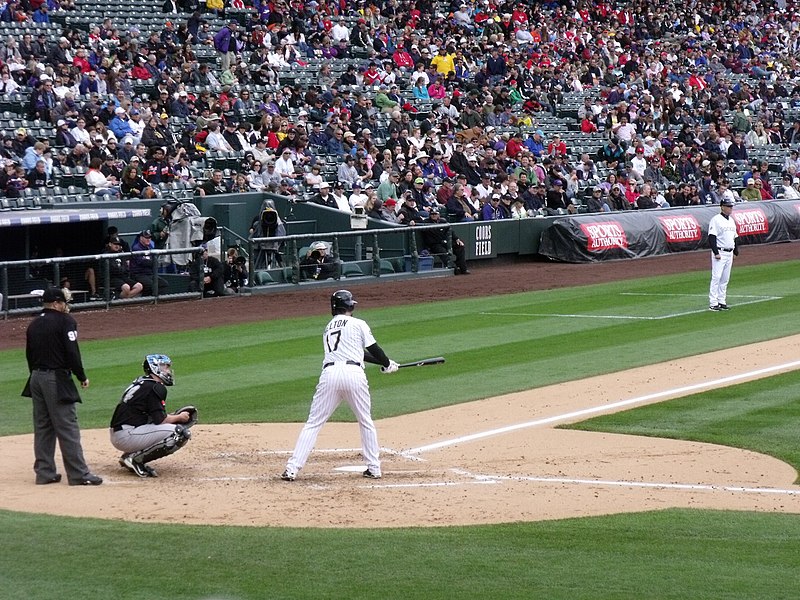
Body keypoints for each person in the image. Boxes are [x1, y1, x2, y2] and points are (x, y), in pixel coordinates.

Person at [281, 290, 399, 481]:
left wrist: (385, 362)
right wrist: (386, 363)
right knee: (365, 421)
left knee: (313, 423)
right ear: (350, 306)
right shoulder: (358, 323)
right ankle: (374, 468)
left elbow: (355, 353)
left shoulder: (328, 327)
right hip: (354, 375)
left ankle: (292, 469)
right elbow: (373, 349)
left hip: (329, 375)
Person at [23, 287, 102, 486]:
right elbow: (72, 351)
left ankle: (44, 473)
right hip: (55, 379)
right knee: (67, 427)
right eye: (64, 302)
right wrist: (81, 375)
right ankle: (78, 475)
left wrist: (36, 375)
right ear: (57, 303)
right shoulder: (65, 321)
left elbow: (29, 354)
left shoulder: (34, 322)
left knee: (43, 427)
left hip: (36, 378)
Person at [109, 355, 194, 478]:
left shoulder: (143, 382)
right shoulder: (155, 387)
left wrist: (173, 418)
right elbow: (161, 420)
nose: (168, 371)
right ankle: (135, 459)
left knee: (171, 426)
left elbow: (152, 416)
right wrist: (179, 418)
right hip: (127, 436)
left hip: (121, 433)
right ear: (155, 368)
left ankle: (128, 456)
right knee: (180, 433)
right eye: (165, 367)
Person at [708, 198, 739, 311]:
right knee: (716, 277)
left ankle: (722, 301)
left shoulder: (731, 220)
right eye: (728, 206)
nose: (730, 208)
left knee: (725, 278)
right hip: (720, 252)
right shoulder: (716, 220)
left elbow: (734, 237)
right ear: (722, 207)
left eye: (731, 206)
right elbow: (712, 237)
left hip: (729, 252)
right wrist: (716, 252)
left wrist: (736, 251)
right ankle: (713, 302)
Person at [420, 208, 470, 274]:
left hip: (445, 242)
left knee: (460, 247)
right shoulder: (426, 222)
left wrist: (457, 239)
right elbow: (418, 222)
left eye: (435, 214)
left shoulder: (443, 221)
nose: (434, 215)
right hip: (434, 244)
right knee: (443, 252)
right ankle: (454, 268)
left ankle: (463, 268)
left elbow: (450, 231)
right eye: (432, 214)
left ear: (439, 215)